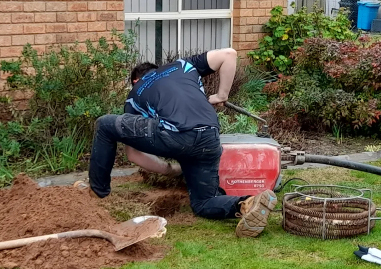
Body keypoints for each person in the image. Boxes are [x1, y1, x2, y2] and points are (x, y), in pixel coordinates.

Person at [84, 48, 277, 238]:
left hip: (175, 136)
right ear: (158, 69)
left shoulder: (135, 96)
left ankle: (97, 192)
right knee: (204, 202)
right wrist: (221, 96)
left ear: (136, 80)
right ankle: (248, 204)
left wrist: (171, 170)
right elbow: (229, 55)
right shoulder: (183, 65)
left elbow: (133, 155)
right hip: (210, 137)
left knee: (104, 125)